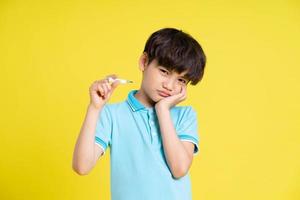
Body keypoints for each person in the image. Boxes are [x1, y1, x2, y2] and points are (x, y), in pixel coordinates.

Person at [72, 27, 206, 200]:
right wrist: (94, 108)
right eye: (164, 72)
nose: (170, 86)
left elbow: (179, 168)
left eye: (181, 80)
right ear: (144, 62)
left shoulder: (185, 115)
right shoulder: (112, 115)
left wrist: (162, 110)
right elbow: (81, 166)